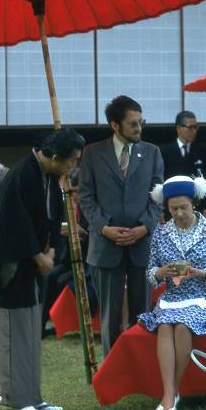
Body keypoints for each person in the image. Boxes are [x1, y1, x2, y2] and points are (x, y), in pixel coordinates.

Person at [0, 128, 85, 410]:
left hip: (33, 269)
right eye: (72, 160)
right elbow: (13, 224)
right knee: (12, 338)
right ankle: (14, 399)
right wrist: (38, 256)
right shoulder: (19, 175)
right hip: (11, 269)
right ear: (53, 157)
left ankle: (32, 398)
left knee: (30, 335)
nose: (73, 166)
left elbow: (52, 218)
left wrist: (52, 249)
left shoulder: (50, 176)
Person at [79, 95, 163, 356]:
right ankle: (112, 370)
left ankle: (142, 367)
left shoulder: (152, 152)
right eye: (133, 124)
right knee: (109, 316)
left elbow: (159, 196)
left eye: (141, 122)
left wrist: (145, 227)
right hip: (105, 245)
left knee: (144, 314)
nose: (139, 129)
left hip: (142, 244)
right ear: (115, 125)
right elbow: (86, 198)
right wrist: (104, 228)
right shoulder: (92, 153)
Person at [139, 176, 206, 410]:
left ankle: (170, 396)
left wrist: (201, 273)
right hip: (172, 298)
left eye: (184, 207)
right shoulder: (160, 234)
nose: (179, 213)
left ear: (194, 204)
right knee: (164, 326)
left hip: (203, 297)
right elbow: (150, 274)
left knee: (181, 326)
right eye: (173, 209)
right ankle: (171, 395)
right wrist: (160, 272)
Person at [40, 168, 97, 339]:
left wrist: (82, 234)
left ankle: (59, 320)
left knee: (61, 281)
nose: (74, 196)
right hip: (69, 258)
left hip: (89, 262)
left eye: (78, 192)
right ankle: (41, 325)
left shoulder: (94, 207)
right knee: (50, 276)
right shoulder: (67, 207)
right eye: (72, 192)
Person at [160, 110, 206, 219]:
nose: (193, 131)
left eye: (196, 127)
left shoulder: (203, 151)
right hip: (171, 207)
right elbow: (159, 180)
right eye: (190, 127)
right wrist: (159, 208)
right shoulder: (164, 152)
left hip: (197, 206)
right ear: (178, 128)